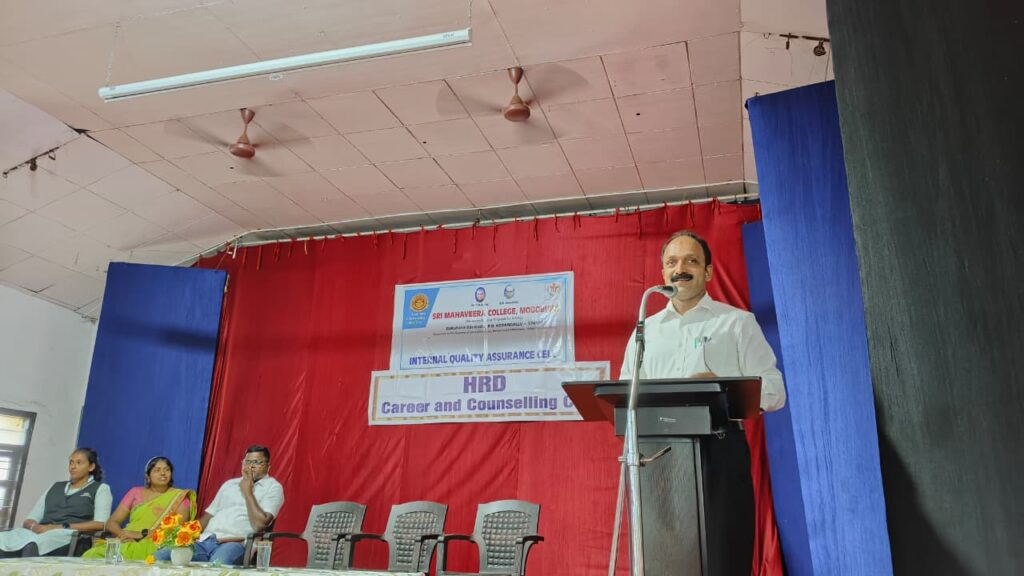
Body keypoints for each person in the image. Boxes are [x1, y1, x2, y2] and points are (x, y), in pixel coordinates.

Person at [619, 230, 786, 576]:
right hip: (658, 460)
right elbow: (623, 396)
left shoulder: (736, 323)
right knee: (666, 561)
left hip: (719, 452)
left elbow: (775, 391)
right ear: (663, 273)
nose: (680, 269)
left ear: (708, 271)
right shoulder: (645, 331)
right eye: (672, 263)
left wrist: (722, 388)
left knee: (722, 556)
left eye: (691, 261)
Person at [153, 445, 283, 566]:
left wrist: (248, 492)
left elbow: (260, 524)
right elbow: (207, 517)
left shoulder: (273, 487)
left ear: (268, 466)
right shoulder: (229, 485)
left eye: (256, 462)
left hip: (234, 544)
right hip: (205, 541)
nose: (250, 466)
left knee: (217, 566)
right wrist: (180, 533)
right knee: (160, 556)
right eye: (247, 462)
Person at [0, 448, 112, 557]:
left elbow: (101, 524)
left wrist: (59, 527)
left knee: (33, 545)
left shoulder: (101, 489)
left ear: (91, 467)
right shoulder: (55, 487)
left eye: (79, 463)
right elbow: (29, 520)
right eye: (71, 462)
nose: (73, 466)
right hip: (41, 532)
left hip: (67, 535)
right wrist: (35, 527)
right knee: (3, 539)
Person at [81, 456, 196, 560]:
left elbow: (175, 531)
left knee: (139, 556)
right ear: (147, 476)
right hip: (126, 539)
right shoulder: (135, 492)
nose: (163, 473)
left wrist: (141, 535)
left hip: (156, 543)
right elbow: (111, 523)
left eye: (167, 470)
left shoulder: (180, 497)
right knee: (91, 555)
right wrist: (123, 535)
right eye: (157, 470)